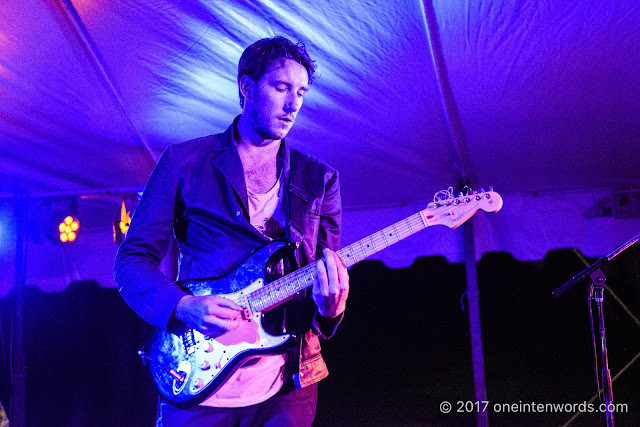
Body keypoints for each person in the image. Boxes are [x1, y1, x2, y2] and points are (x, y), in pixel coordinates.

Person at [114, 36, 349, 426]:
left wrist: (331, 307)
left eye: (302, 92)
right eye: (281, 88)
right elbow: (132, 261)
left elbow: (321, 281)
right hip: (198, 375)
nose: (293, 105)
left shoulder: (319, 179)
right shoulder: (184, 162)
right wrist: (183, 307)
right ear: (246, 88)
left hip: (289, 383)